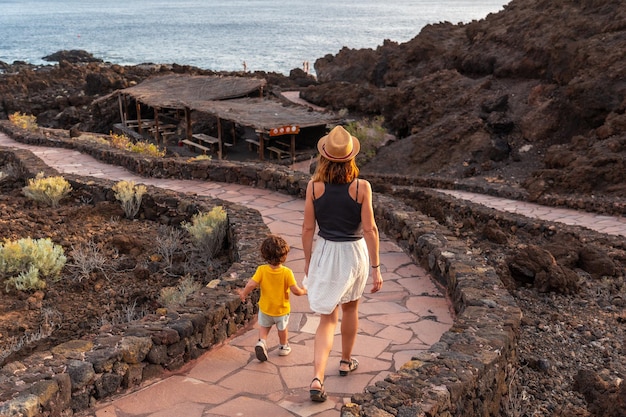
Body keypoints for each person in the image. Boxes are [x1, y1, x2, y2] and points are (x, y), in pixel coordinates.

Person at [302, 125, 383, 402]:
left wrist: (308, 261)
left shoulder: (313, 187)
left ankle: (317, 377)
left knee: (327, 318)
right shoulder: (362, 187)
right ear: (351, 157)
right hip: (354, 254)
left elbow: (307, 229)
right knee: (351, 308)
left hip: (326, 251)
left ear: (324, 156)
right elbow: (370, 229)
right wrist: (376, 267)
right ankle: (346, 361)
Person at [238, 234, 307, 361]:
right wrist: (304, 291)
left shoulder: (261, 270)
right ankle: (283, 346)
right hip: (281, 309)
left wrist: (243, 293)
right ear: (284, 256)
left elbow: (252, 283)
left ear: (264, 255)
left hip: (265, 308)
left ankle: (262, 342)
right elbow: (295, 291)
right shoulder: (287, 272)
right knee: (282, 329)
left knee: (264, 327)